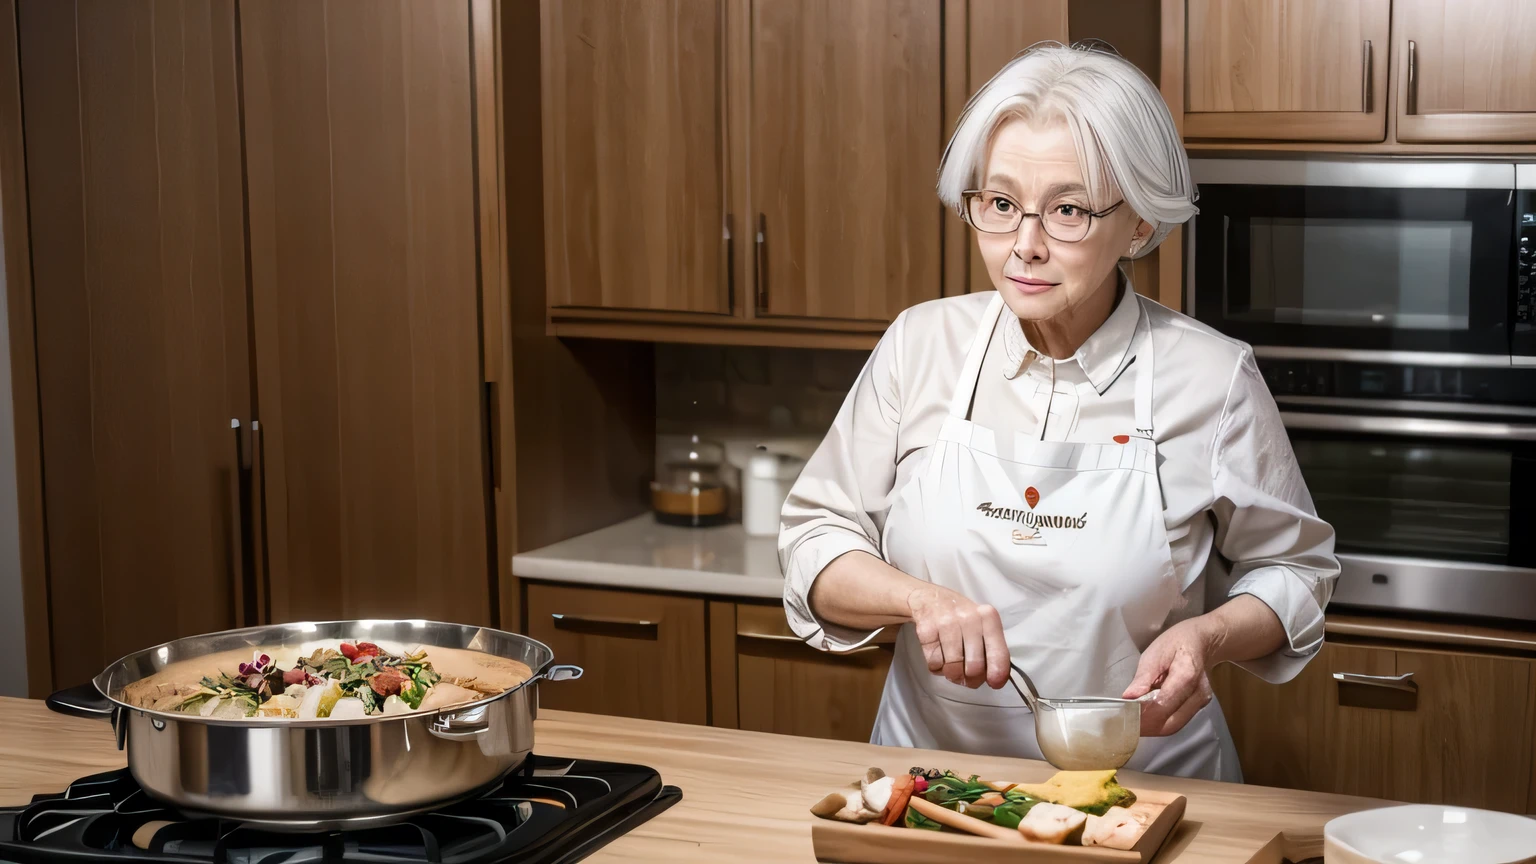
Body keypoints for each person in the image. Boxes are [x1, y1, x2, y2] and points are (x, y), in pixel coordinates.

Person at [777, 42, 1339, 782]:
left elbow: (1294, 572)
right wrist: (918, 601)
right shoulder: (920, 346)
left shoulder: (1211, 377)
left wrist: (1209, 635)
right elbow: (815, 539)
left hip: (1143, 796)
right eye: (1001, 205)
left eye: (1068, 210)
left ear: (1137, 223)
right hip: (932, 794)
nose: (1024, 246)